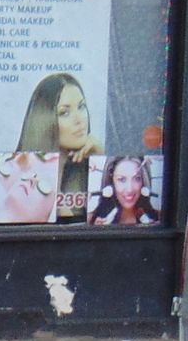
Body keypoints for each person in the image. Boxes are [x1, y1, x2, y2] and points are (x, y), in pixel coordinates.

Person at [16, 73, 96, 223]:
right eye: (64, 113)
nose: (79, 120)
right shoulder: (20, 182)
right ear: (43, 122)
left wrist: (100, 159)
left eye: (81, 106)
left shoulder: (84, 172)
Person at [90, 153, 159, 226]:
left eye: (137, 179)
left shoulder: (159, 219)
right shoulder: (92, 219)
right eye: (121, 179)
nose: (130, 189)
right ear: (111, 183)